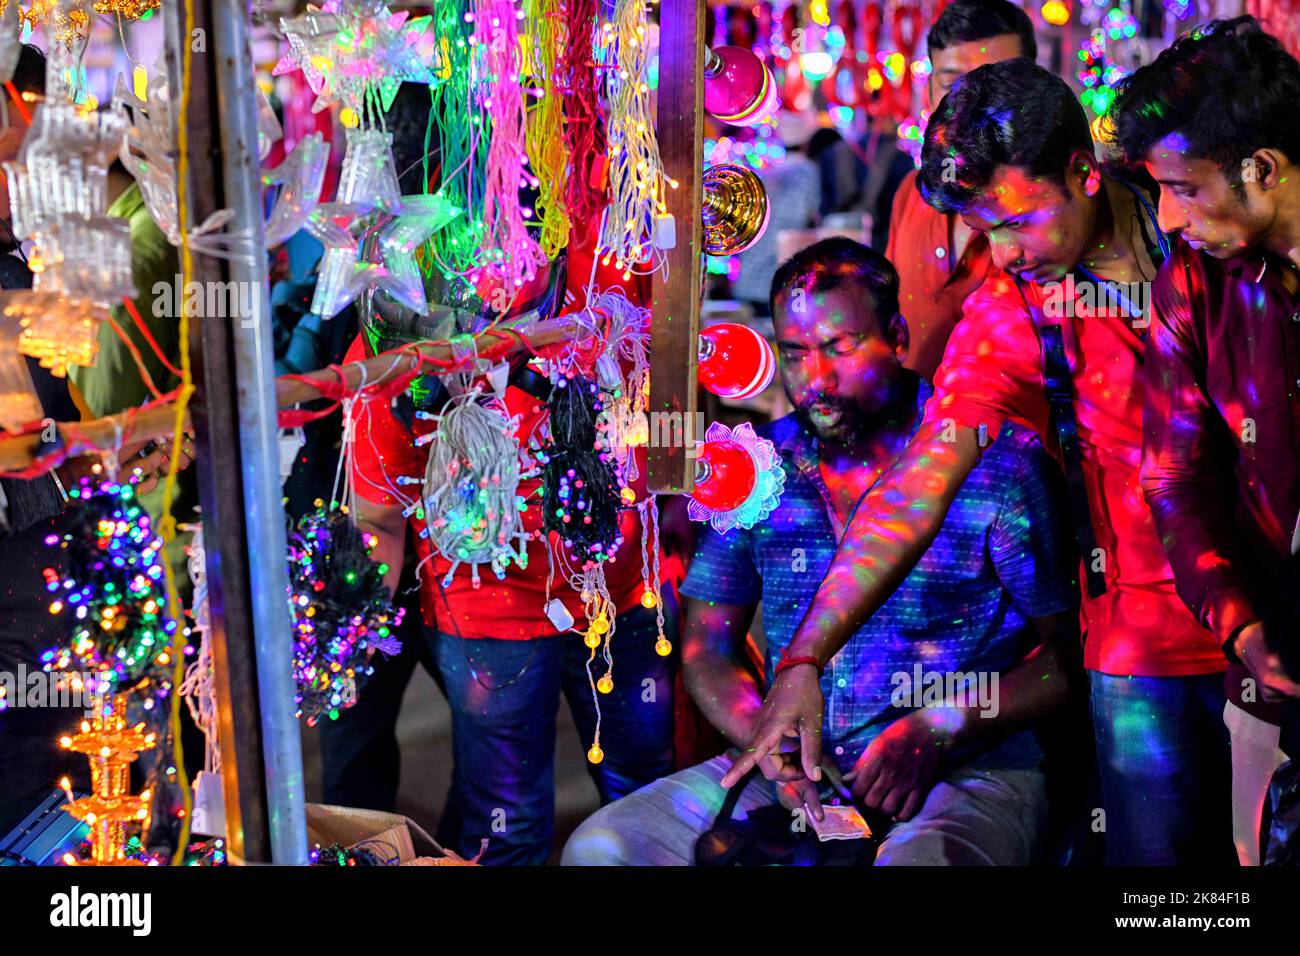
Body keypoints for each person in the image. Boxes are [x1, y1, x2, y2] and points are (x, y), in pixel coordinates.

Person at [723, 58, 1236, 866]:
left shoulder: (1200, 211)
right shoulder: (1011, 309)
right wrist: (804, 656)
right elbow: (916, 489)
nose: (999, 254)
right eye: (982, 231)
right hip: (1149, 631)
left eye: (1016, 221)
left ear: (1083, 173)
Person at [561, 238, 1080, 866]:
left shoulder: (993, 460)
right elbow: (706, 649)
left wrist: (941, 726)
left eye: (840, 347)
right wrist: (767, 736)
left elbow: (1064, 661)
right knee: (602, 847)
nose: (817, 379)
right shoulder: (751, 467)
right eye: (795, 353)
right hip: (796, 775)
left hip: (971, 770)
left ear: (896, 333)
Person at [348, 229, 679, 865]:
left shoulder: (609, 263)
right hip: (486, 619)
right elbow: (379, 516)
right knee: (507, 827)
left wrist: (678, 500)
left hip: (625, 594)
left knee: (644, 799)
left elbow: (673, 376)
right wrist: (347, 635)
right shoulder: (394, 337)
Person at [1107, 16, 1300, 864]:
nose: (1169, 216)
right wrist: (1240, 626)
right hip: (1269, 668)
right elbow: (1175, 478)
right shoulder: (1195, 280)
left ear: (1261, 169)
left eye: (1183, 187)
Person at [885, 0, 1037, 379]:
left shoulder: (1059, 209)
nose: (969, 106)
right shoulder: (911, 192)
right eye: (952, 84)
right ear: (932, 90)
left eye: (995, 83)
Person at [732, 110, 822, 317]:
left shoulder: (769, 172)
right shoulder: (808, 171)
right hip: (774, 279)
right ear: (806, 143)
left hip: (748, 280)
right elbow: (813, 215)